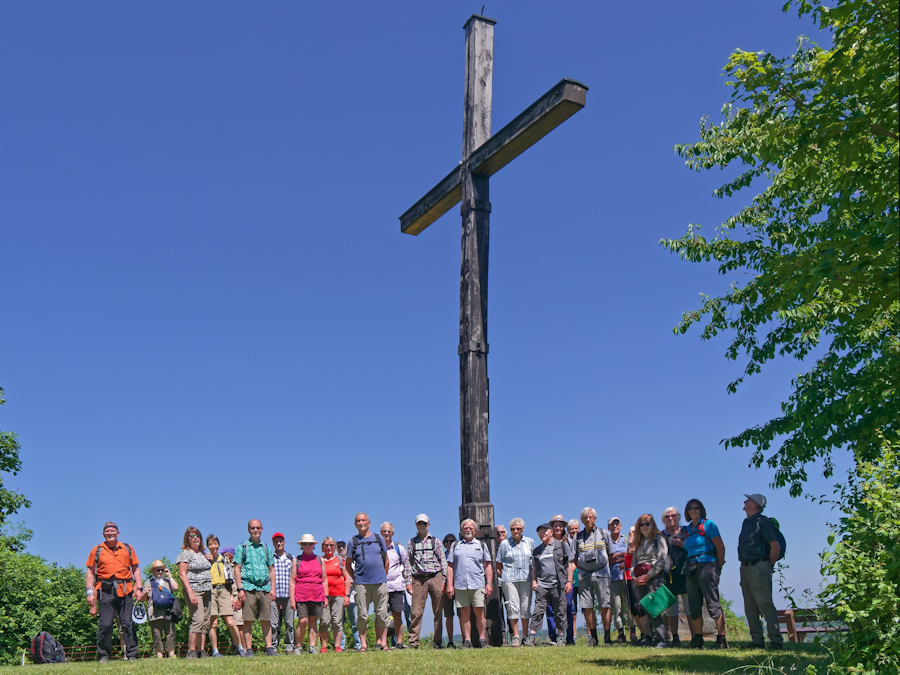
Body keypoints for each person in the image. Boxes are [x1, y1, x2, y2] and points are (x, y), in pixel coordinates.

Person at [85, 522, 144, 663]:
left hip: (126, 590)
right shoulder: (97, 550)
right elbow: (90, 572)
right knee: (105, 624)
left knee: (128, 623)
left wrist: (139, 588)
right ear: (103, 534)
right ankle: (104, 655)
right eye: (107, 531)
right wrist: (89, 593)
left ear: (118, 533)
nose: (110, 533)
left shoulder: (127, 549)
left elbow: (135, 569)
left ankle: (131, 655)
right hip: (105, 591)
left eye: (113, 531)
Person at [738, 493, 783, 650]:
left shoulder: (762, 522)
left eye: (748, 500)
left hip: (759, 566)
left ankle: (775, 640)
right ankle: (757, 639)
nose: (745, 501)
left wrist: (767, 566)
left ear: (754, 504)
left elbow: (775, 546)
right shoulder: (746, 522)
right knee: (750, 605)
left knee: (764, 604)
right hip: (745, 567)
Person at [682, 498, 727, 649]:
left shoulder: (709, 525)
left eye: (695, 508)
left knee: (712, 603)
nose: (692, 510)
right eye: (689, 508)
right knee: (694, 604)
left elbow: (720, 547)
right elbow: (688, 546)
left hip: (707, 565)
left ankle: (721, 639)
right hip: (691, 567)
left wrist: (718, 568)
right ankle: (698, 639)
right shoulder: (687, 530)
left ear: (701, 509)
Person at [446, 518, 494, 648]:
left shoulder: (481, 545)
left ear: (475, 531)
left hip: (477, 583)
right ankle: (467, 641)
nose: (468, 530)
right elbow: (450, 566)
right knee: (464, 613)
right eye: (465, 528)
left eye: (471, 528)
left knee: (480, 612)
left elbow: (487, 565)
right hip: (460, 584)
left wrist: (489, 583)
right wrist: (449, 584)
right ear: (461, 531)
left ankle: (482, 639)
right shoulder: (456, 546)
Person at [346, 512, 390, 652]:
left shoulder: (378, 539)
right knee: (362, 615)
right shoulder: (352, 542)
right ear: (355, 524)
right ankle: (363, 645)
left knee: (382, 614)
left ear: (369, 523)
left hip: (379, 582)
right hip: (361, 583)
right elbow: (347, 565)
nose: (361, 522)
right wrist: (354, 579)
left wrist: (382, 575)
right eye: (358, 521)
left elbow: (386, 560)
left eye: (364, 520)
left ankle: (383, 644)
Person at [570, 507, 614, 646]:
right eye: (585, 518)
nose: (588, 519)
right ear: (582, 520)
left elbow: (610, 555)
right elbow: (573, 558)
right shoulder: (577, 537)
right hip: (584, 575)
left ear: (594, 518)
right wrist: (584, 566)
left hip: (602, 574)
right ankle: (593, 638)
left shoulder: (604, 533)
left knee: (605, 605)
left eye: (590, 517)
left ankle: (607, 638)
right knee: (587, 606)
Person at [233, 519, 277, 656]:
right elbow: (237, 568)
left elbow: (271, 570)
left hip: (264, 588)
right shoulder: (243, 547)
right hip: (248, 587)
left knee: (266, 619)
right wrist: (240, 589)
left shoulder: (266, 548)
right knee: (248, 620)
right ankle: (249, 650)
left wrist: (273, 589)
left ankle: (269, 649)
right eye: (253, 528)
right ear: (248, 530)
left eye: (258, 528)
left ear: (262, 529)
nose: (256, 530)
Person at [523, 523, 572, 647]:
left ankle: (561, 637)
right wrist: (534, 582)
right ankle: (532, 637)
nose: (543, 534)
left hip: (558, 584)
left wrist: (569, 582)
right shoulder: (537, 550)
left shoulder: (561, 545)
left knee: (560, 611)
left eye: (545, 531)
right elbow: (534, 569)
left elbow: (569, 565)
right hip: (543, 585)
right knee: (538, 610)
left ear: (551, 532)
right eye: (540, 532)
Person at [405, 514, 447, 650]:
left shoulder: (436, 541)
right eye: (419, 523)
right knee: (416, 611)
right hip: (418, 579)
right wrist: (408, 581)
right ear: (416, 525)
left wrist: (444, 580)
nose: (422, 526)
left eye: (424, 523)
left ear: (428, 524)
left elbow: (443, 562)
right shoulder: (411, 542)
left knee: (438, 610)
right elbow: (408, 563)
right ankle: (413, 642)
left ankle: (438, 641)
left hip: (436, 576)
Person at [631, 514, 669, 648]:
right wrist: (634, 577)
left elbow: (662, 558)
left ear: (652, 524)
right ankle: (654, 638)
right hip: (639, 579)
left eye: (647, 523)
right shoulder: (639, 542)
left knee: (655, 608)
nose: (645, 526)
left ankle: (663, 639)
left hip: (654, 577)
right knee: (647, 609)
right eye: (642, 524)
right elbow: (633, 563)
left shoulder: (658, 539)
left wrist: (649, 575)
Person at [176, 526, 213, 658]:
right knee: (197, 619)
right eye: (192, 536)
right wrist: (190, 593)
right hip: (194, 590)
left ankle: (201, 651)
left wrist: (211, 559)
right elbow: (182, 574)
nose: (195, 538)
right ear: (187, 539)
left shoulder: (203, 554)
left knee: (205, 620)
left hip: (208, 590)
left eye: (197, 535)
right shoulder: (185, 554)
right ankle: (191, 651)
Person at [496, 517, 533, 647]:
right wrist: (504, 574)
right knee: (512, 607)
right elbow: (498, 563)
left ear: (522, 529)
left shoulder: (530, 542)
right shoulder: (505, 544)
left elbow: (533, 562)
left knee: (525, 606)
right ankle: (516, 636)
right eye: (513, 529)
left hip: (526, 578)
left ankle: (525, 636)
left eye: (518, 528)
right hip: (509, 579)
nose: (516, 531)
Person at [290, 534, 327, 654]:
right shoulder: (297, 560)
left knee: (313, 621)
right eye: (305, 544)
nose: (307, 546)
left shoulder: (319, 560)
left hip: (317, 594)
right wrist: (292, 599)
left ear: (313, 545)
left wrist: (325, 597)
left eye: (310, 544)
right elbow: (292, 581)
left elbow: (324, 580)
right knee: (303, 621)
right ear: (301, 546)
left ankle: (312, 646)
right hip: (301, 595)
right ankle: (298, 646)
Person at [207, 535, 243, 657]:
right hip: (211, 590)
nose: (213, 546)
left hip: (224, 590)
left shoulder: (224, 559)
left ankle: (240, 647)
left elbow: (230, 578)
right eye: (210, 544)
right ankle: (215, 651)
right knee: (213, 623)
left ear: (218, 545)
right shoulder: (205, 559)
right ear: (207, 546)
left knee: (231, 622)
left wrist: (233, 595)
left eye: (215, 543)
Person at [660, 507, 692, 646]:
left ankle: (695, 637)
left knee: (690, 608)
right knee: (671, 610)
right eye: (667, 516)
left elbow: (693, 547)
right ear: (664, 520)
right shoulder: (661, 535)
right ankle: (675, 637)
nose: (671, 518)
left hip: (686, 574)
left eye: (673, 515)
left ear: (678, 517)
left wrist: (681, 544)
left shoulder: (686, 532)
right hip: (668, 577)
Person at [546, 515, 576, 645]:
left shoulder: (568, 543)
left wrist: (568, 580)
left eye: (560, 525)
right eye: (555, 525)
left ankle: (569, 639)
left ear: (564, 527)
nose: (558, 527)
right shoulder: (545, 543)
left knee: (566, 609)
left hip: (565, 582)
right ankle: (554, 638)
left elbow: (572, 563)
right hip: (549, 582)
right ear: (551, 528)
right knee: (551, 610)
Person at [318, 537, 351, 653]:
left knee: (337, 621)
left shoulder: (340, 560)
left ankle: (338, 646)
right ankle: (324, 646)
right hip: (323, 596)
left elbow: (347, 579)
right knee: (324, 621)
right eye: (326, 545)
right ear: (322, 547)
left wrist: (347, 595)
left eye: (331, 545)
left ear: (335, 547)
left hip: (339, 594)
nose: (329, 547)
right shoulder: (319, 560)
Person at [380, 522, 410, 649]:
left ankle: (399, 642)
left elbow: (406, 565)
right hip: (380, 586)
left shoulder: (399, 549)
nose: (387, 534)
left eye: (389, 531)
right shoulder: (377, 548)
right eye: (384, 531)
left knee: (397, 615)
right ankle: (382, 643)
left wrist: (407, 582)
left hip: (396, 586)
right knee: (381, 616)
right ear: (381, 532)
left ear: (393, 533)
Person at [607, 516, 634, 644]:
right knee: (617, 607)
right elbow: (607, 559)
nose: (615, 526)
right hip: (612, 577)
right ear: (608, 527)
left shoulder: (627, 539)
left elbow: (630, 554)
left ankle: (633, 631)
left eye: (617, 524)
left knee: (630, 605)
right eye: (612, 524)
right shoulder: (606, 541)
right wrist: (621, 556)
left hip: (626, 576)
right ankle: (621, 633)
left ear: (621, 526)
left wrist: (617, 557)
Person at [144, 560, 178, 658]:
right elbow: (143, 599)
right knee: (156, 634)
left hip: (168, 611)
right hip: (155, 611)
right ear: (153, 571)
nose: (160, 572)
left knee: (170, 633)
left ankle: (171, 654)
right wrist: (145, 592)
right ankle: (160, 655)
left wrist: (170, 576)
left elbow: (175, 588)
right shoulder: (148, 583)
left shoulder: (167, 581)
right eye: (158, 570)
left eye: (162, 570)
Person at [270, 533, 295, 654]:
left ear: (284, 542)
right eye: (276, 542)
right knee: (273, 624)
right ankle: (273, 646)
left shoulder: (291, 558)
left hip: (289, 595)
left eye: (280, 541)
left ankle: (289, 646)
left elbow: (294, 578)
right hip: (274, 596)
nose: (278, 544)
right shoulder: (270, 558)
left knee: (289, 623)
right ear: (273, 543)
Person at [486, 524, 508, 646]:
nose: (500, 534)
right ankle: (502, 635)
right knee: (498, 610)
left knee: (511, 608)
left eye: (502, 532)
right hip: (496, 583)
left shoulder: (510, 545)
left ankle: (514, 634)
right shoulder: (491, 547)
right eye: (497, 532)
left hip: (509, 581)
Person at [221, 547, 244, 654]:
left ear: (229, 555)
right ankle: (237, 648)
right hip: (227, 598)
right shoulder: (224, 567)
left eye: (224, 555)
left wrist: (238, 599)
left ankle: (243, 649)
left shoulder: (237, 568)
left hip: (237, 597)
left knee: (239, 624)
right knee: (232, 624)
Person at [335, 540, 358, 651]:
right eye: (338, 546)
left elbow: (355, 578)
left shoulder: (353, 561)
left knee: (355, 622)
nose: (341, 548)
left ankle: (358, 645)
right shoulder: (335, 561)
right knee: (340, 622)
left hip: (352, 595)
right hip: (338, 595)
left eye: (343, 546)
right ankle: (341, 646)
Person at [442, 533, 458, 648]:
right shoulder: (441, 555)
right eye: (447, 541)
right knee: (448, 615)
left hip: (459, 586)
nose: (449, 543)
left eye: (451, 541)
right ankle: (450, 641)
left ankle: (466, 640)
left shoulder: (458, 554)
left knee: (463, 614)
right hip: (445, 587)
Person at [567, 519, 581, 644]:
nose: (574, 531)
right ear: (568, 531)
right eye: (572, 529)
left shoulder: (582, 541)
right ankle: (574, 634)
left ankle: (590, 634)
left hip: (582, 577)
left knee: (587, 607)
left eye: (576, 528)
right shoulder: (566, 543)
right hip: (571, 580)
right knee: (572, 609)